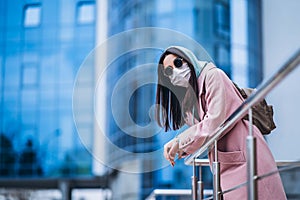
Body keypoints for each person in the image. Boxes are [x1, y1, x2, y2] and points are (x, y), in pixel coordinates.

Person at [155, 46, 286, 199]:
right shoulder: (189, 99)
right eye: (169, 71)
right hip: (226, 165)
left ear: (188, 59)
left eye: (178, 63)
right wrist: (179, 147)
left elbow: (214, 122)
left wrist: (180, 142)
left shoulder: (213, 76)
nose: (175, 72)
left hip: (246, 156)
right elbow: (203, 132)